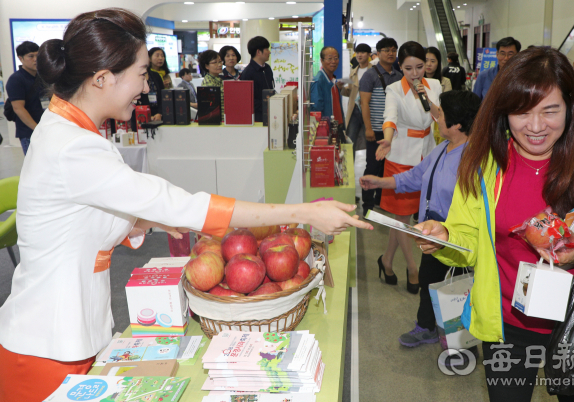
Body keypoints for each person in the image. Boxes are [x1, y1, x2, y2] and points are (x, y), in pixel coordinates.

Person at [0, 8, 372, 402]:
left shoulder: (72, 130)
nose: (146, 88)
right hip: (48, 345)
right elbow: (182, 204)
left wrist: (145, 219)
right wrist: (303, 212)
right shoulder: (73, 146)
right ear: (103, 78)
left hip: (73, 331)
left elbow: (82, 213)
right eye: (142, 74)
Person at [415, 47, 574, 402]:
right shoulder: (483, 165)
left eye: (550, 111)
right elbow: (468, 240)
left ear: (570, 107)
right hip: (507, 324)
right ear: (503, 112)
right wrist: (445, 238)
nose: (535, 127)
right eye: (522, 112)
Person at [361, 90, 480, 344]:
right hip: (431, 233)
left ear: (457, 124)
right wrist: (379, 182)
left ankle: (461, 343)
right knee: (429, 281)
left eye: (442, 114)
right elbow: (413, 177)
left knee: (458, 288)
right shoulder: (441, 150)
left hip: (457, 236)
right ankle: (426, 326)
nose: (436, 117)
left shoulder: (474, 158)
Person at [369, 41, 442, 293]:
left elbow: (440, 117)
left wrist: (425, 96)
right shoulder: (393, 89)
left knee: (405, 216)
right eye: (408, 68)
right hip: (400, 155)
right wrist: (387, 140)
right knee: (401, 216)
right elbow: (389, 118)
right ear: (400, 67)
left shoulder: (434, 85)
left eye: (420, 67)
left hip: (427, 154)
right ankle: (413, 268)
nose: (415, 73)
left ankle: (387, 261)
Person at [359, 38, 403, 216]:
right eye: (386, 50)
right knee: (373, 166)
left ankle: (380, 201)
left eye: (393, 50)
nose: (391, 53)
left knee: (387, 167)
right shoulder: (369, 75)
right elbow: (364, 103)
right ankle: (367, 205)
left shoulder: (399, 76)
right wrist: (368, 128)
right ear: (378, 52)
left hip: (392, 132)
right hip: (376, 131)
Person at [5, 41, 45, 154]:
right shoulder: (16, 79)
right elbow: (18, 108)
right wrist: (37, 129)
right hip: (29, 132)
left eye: (38, 55)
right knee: (34, 167)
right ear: (20, 58)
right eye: (31, 56)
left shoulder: (42, 77)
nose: (36, 59)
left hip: (45, 130)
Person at [342, 43, 372, 154]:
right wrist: (341, 88)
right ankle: (350, 168)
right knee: (350, 140)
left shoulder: (374, 71)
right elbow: (349, 92)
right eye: (358, 52)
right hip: (354, 110)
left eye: (363, 52)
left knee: (371, 139)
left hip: (369, 109)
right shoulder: (353, 72)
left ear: (369, 54)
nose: (359, 55)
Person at [239, 36, 275, 123]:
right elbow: (247, 101)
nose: (269, 52)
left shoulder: (267, 68)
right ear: (258, 52)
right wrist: (266, 105)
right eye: (266, 49)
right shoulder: (247, 73)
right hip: (256, 119)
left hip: (270, 114)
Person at [473, 36, 521, 101]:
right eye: (502, 53)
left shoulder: (523, 77)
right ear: (497, 54)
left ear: (518, 55)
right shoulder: (484, 76)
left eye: (510, 54)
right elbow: (474, 102)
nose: (506, 58)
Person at [310, 46, 345, 123]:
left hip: (336, 126)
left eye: (336, 58)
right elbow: (316, 110)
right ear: (322, 60)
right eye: (329, 58)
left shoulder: (332, 79)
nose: (333, 61)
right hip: (327, 129)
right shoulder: (318, 81)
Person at [200, 50, 224, 115]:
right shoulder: (208, 82)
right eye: (214, 62)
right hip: (217, 120)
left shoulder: (218, 79)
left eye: (220, 61)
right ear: (207, 66)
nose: (219, 65)